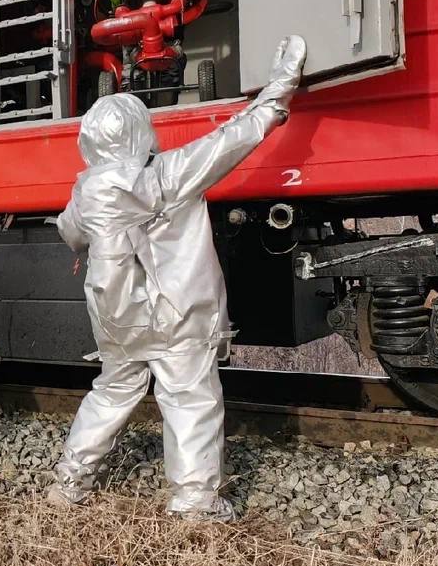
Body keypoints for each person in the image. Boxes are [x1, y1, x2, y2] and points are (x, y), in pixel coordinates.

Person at [47, 36, 307, 521]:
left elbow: (70, 234)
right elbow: (235, 137)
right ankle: (194, 503)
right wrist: (280, 89)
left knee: (111, 392)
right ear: (140, 133)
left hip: (116, 316)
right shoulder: (170, 174)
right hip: (178, 314)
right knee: (189, 400)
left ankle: (69, 483)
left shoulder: (84, 193)